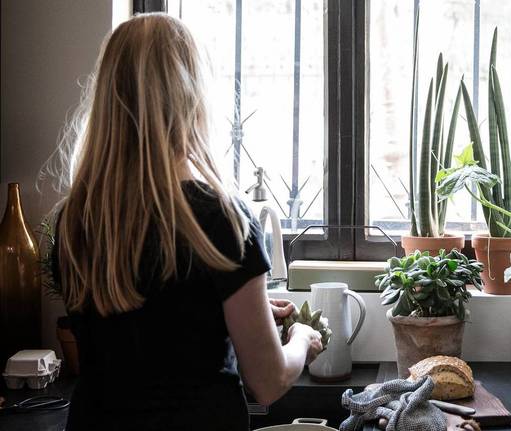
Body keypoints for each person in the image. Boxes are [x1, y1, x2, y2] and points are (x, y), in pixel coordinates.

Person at [50, 13, 323, 431]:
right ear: (192, 96)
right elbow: (267, 383)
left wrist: (234, 309)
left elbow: (142, 319)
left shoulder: (79, 217)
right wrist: (301, 339)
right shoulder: (222, 217)